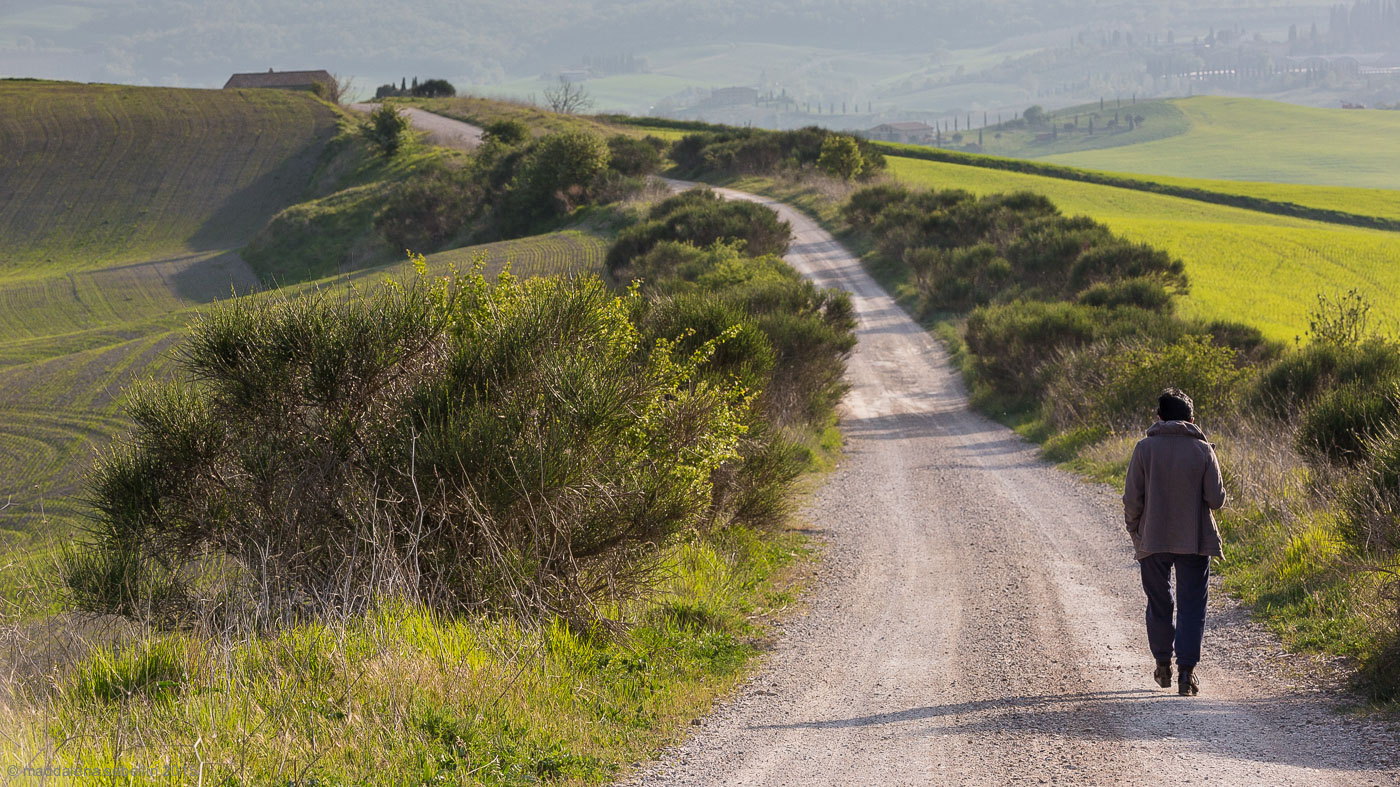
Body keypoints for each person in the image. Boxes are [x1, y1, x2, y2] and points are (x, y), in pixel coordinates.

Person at [1122, 388, 1227, 696]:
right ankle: (1186, 673)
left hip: (1152, 539)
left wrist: (1135, 532)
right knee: (1192, 604)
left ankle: (1163, 664)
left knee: (1159, 602)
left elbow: (1132, 499)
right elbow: (1217, 500)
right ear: (1191, 419)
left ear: (1158, 418)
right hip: (1194, 540)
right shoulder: (1203, 450)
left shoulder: (1144, 448)